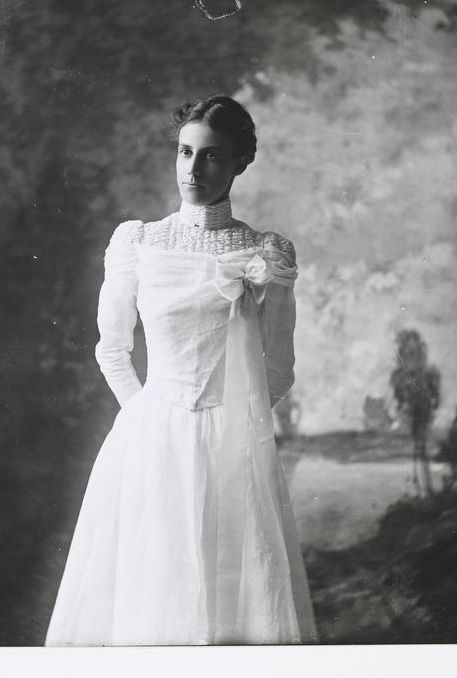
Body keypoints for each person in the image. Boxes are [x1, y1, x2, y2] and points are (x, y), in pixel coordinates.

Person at [45, 95, 318, 646]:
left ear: (240, 162)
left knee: (233, 598)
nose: (193, 169)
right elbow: (112, 349)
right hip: (149, 442)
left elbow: (279, 370)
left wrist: (232, 422)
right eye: (185, 152)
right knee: (150, 592)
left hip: (233, 448)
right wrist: (150, 420)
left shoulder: (265, 252)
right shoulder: (139, 241)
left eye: (212, 155)